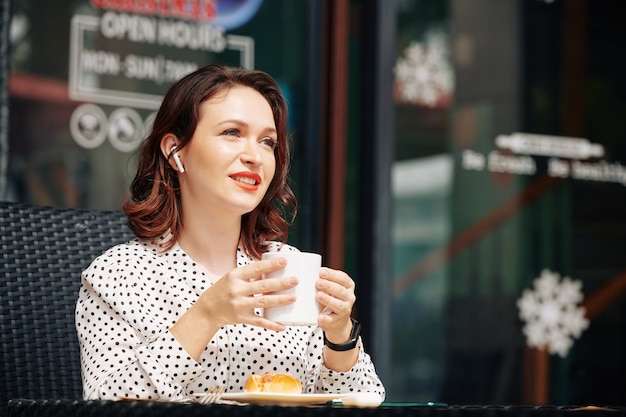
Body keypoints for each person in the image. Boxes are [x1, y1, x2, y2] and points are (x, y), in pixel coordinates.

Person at [75, 64, 385, 402]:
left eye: (267, 142)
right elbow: (106, 402)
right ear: (175, 151)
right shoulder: (121, 275)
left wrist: (340, 335)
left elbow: (363, 400)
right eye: (232, 133)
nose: (255, 156)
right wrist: (206, 315)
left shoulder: (289, 269)